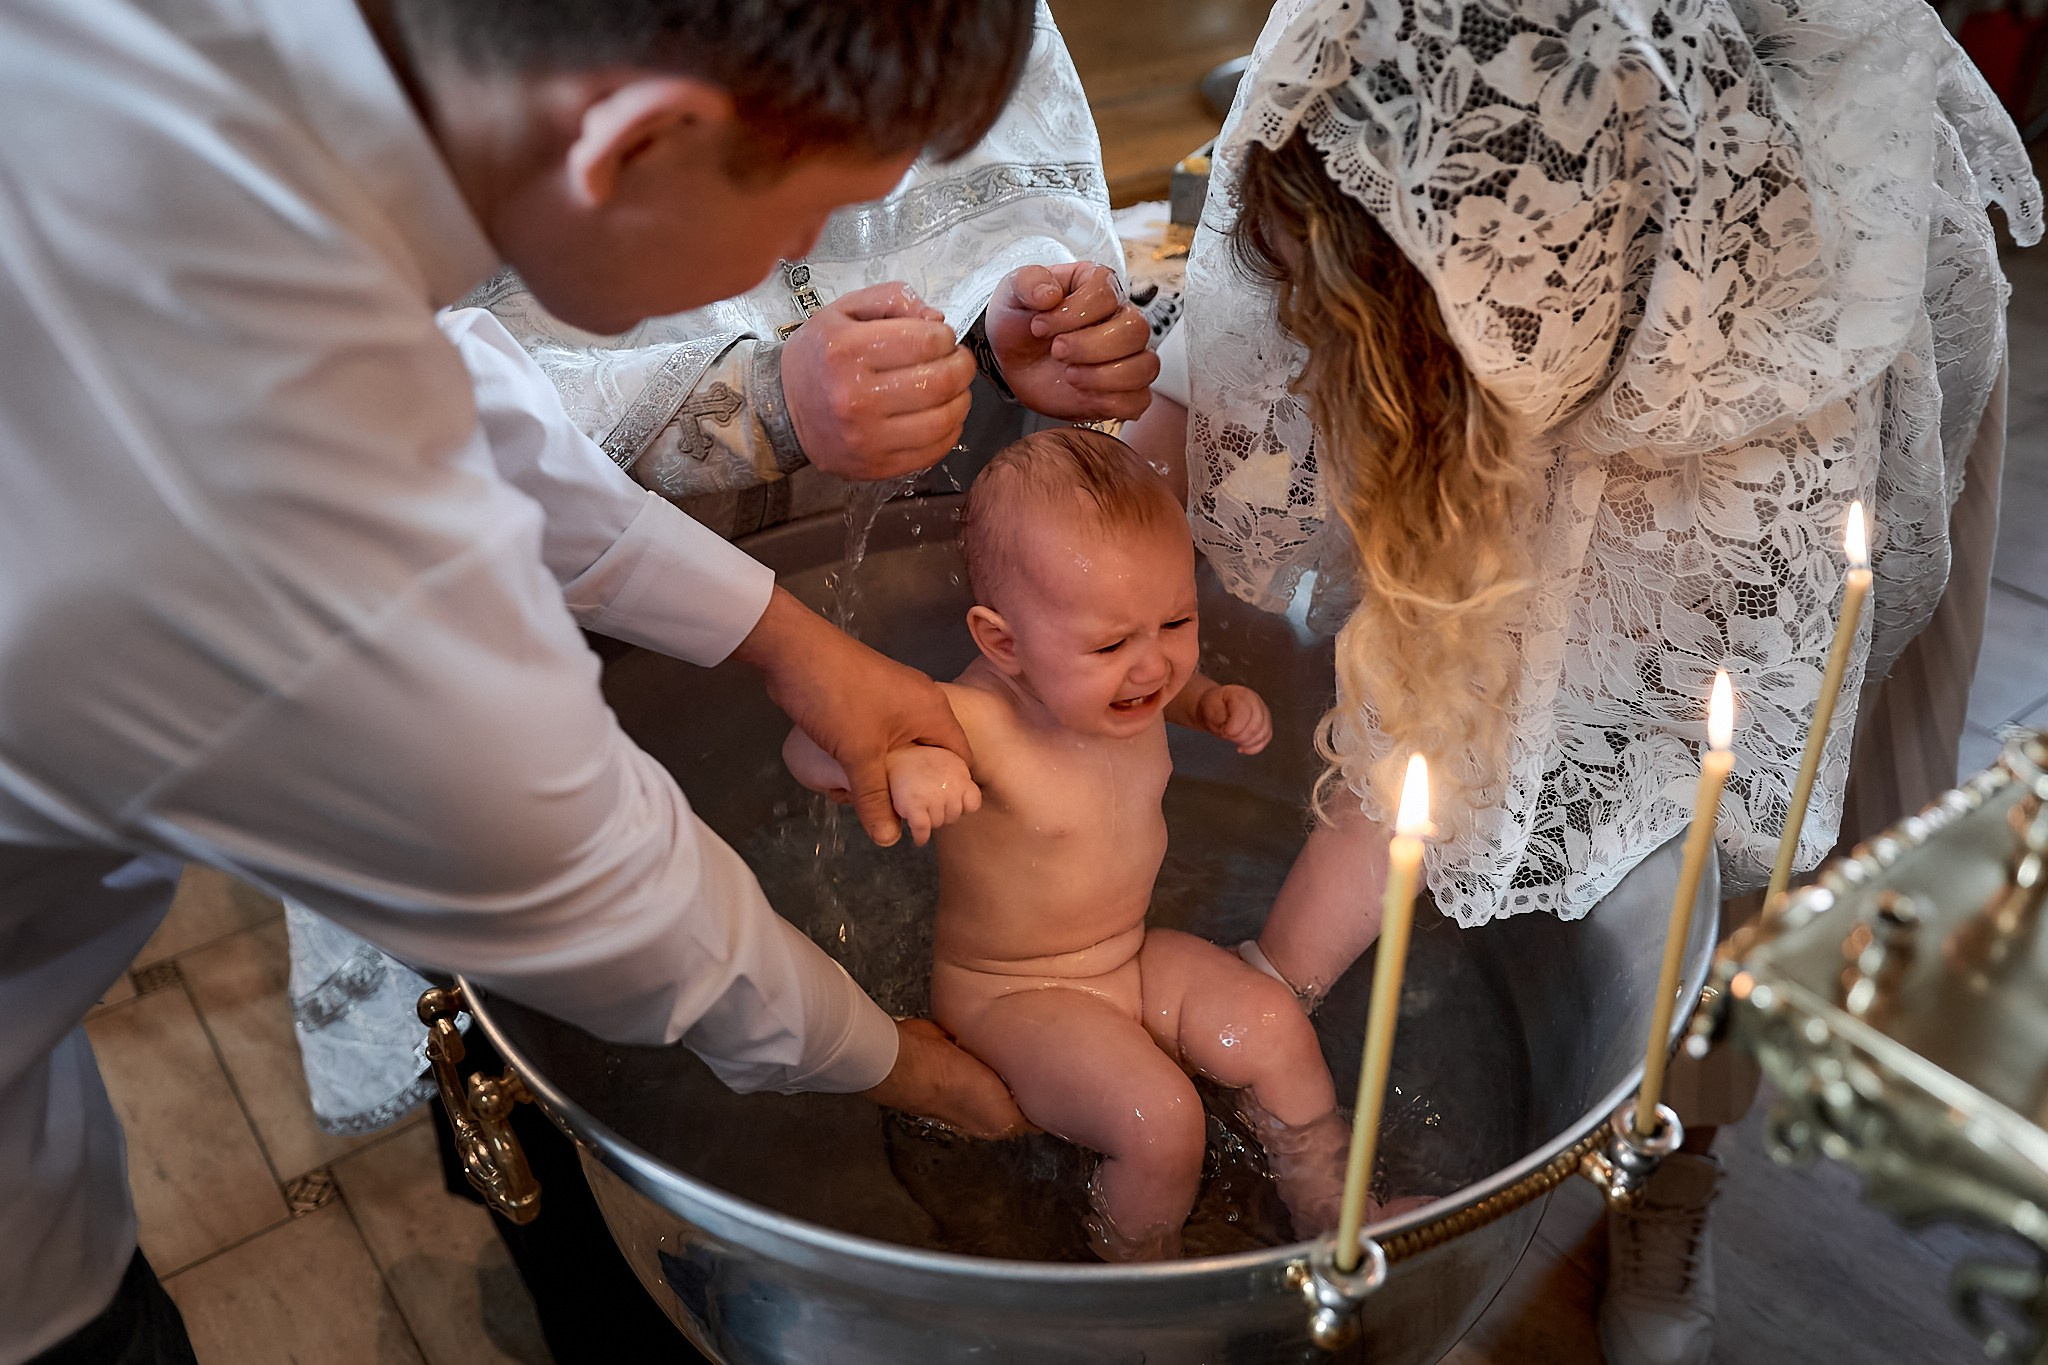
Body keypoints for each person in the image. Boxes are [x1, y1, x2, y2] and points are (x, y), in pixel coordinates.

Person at [0, 0, 1048, 1360]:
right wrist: (916, 1067)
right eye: (809, 215)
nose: (799, 260)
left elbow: (430, 378)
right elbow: (614, 902)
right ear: (632, 149)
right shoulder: (280, 532)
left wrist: (786, 639)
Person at [1118, 0, 2041, 1358]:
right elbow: (1285, 342)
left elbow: (1495, 696)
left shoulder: (1758, 359)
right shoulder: (1385, 84)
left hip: (1769, 359)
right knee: (1452, 630)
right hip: (1495, 240)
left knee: (1718, 875)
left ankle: (1671, 1171)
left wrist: (1274, 1005)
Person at [783, 429, 1353, 1262]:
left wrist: (1210, 702)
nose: (1152, 666)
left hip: (1127, 958)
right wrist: (900, 768)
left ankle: (1334, 1207)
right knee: (1158, 1121)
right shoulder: (974, 721)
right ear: (1003, 643)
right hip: (1012, 998)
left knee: (1270, 1020)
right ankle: (1139, 1275)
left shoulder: (1133, 686)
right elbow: (806, 746)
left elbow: (1167, 682)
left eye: (1177, 619)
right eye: (1111, 643)